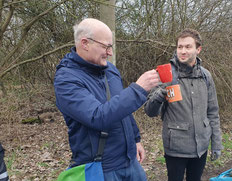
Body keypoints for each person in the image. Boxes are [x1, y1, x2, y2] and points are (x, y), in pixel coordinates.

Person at [54, 18, 160, 181]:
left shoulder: (110, 70)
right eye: (106, 46)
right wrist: (138, 89)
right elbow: (98, 117)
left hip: (130, 163)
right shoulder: (66, 79)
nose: (110, 52)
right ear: (85, 43)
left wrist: (136, 140)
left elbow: (123, 110)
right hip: (101, 169)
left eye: (111, 47)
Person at [144, 29, 223, 181]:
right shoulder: (165, 74)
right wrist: (160, 94)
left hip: (201, 147)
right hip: (176, 148)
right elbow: (150, 111)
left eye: (188, 47)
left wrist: (216, 143)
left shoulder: (205, 76)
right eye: (180, 47)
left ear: (198, 49)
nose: (183, 51)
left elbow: (213, 112)